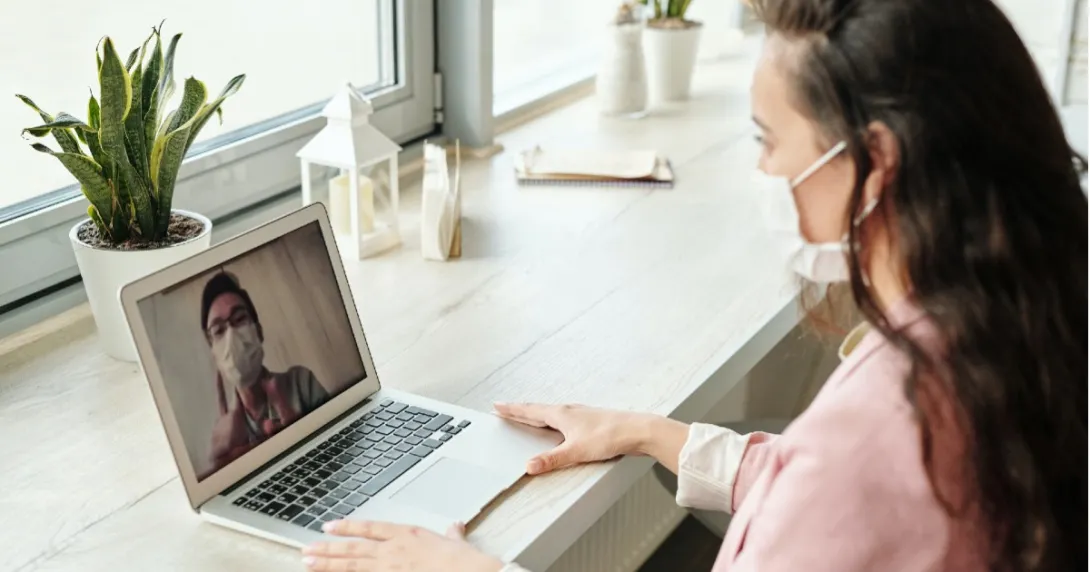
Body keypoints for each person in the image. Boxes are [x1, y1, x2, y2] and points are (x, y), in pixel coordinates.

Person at [299, 0, 1087, 570]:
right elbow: (841, 502)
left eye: (770, 140)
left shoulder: (886, 425)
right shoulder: (1013, 321)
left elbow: (845, 481)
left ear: (875, 165)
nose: (763, 171)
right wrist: (654, 434)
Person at [201, 271, 329, 473]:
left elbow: (343, 446)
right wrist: (222, 471)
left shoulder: (301, 383)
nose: (232, 335)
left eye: (240, 319)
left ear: (259, 331)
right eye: (218, 331)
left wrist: (302, 438)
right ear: (214, 354)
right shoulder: (223, 436)